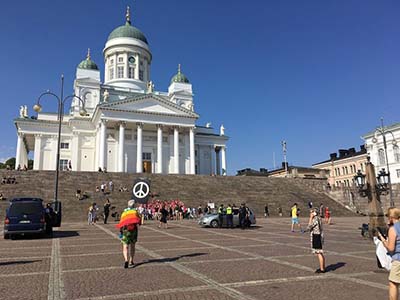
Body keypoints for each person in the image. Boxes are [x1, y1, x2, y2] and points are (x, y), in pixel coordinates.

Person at [378, 207, 400, 300]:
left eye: (388, 216)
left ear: (391, 217)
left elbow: (391, 248)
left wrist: (383, 240)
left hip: (398, 259)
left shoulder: (393, 229)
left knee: (393, 283)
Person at [118, 200, 141, 268]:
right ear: (134, 205)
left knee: (125, 246)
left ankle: (126, 260)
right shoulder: (135, 212)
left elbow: (121, 222)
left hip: (125, 231)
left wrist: (121, 232)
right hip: (133, 230)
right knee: (132, 246)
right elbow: (139, 222)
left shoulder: (124, 212)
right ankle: (131, 260)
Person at [304, 208, 325, 273]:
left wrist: (310, 218)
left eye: (311, 212)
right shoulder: (319, 218)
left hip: (316, 236)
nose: (310, 213)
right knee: (320, 252)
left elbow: (309, 227)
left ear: (314, 213)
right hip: (319, 235)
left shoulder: (315, 219)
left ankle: (322, 269)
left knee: (319, 252)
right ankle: (323, 268)